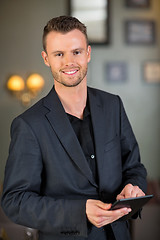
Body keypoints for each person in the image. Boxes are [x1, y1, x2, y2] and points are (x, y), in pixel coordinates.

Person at [1, 16, 147, 240]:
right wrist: (79, 212)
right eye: (59, 54)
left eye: (76, 52)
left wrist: (133, 186)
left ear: (88, 53)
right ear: (46, 58)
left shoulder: (113, 105)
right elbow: (15, 202)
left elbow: (134, 167)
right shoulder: (29, 124)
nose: (69, 61)